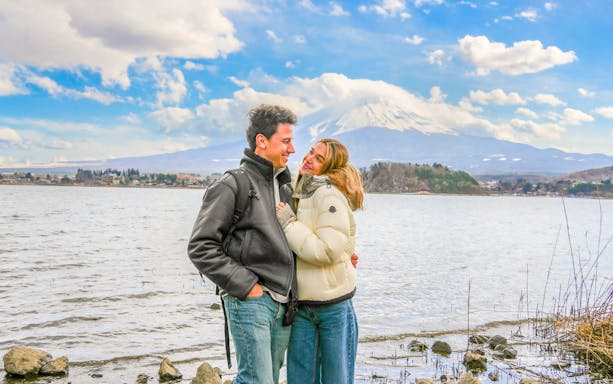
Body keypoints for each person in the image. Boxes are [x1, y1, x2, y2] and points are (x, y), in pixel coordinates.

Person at [188, 104, 298, 384]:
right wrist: (248, 286)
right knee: (256, 381)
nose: (292, 149)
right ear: (262, 141)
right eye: (286, 141)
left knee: (267, 380)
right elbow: (200, 246)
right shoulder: (232, 184)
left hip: (284, 304)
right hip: (251, 301)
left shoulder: (286, 186)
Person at [275, 138, 364, 384]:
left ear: (330, 168)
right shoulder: (302, 190)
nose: (309, 159)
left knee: (337, 379)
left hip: (332, 308)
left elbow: (326, 250)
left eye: (319, 158)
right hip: (302, 306)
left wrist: (288, 223)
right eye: (311, 152)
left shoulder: (329, 196)